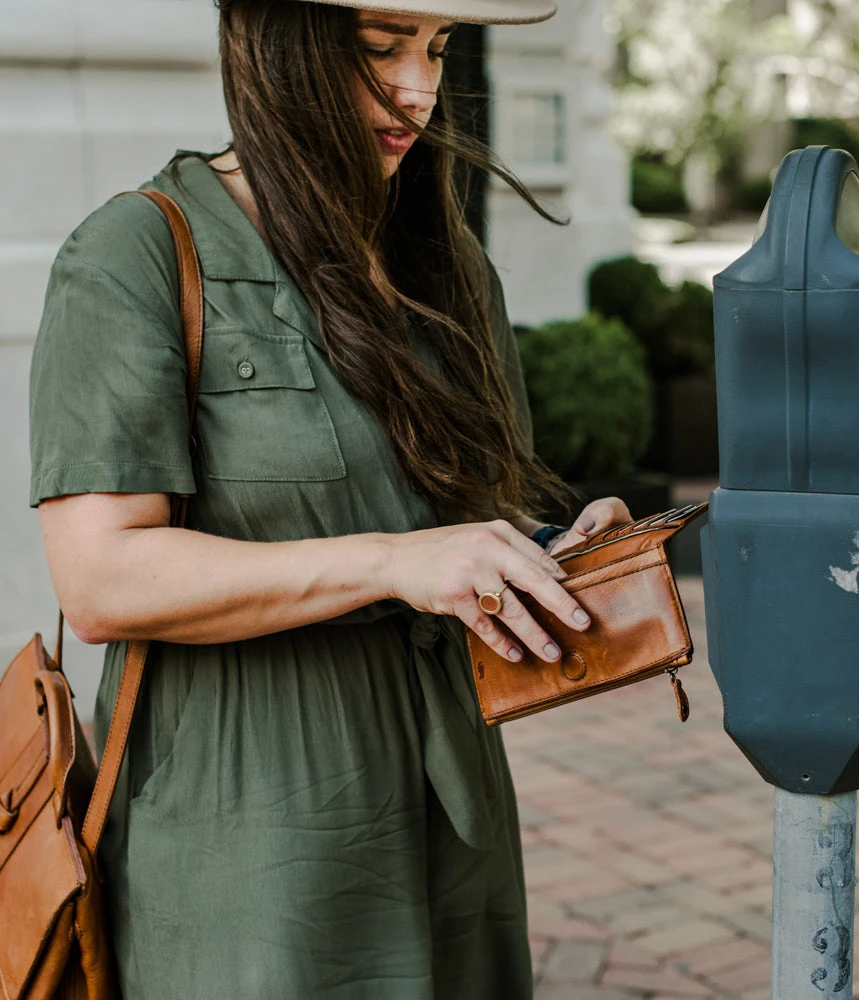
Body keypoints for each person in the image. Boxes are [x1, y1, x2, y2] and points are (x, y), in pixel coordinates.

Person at [29, 0, 632, 996]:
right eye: (379, 46)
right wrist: (393, 563)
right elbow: (99, 578)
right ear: (272, 45)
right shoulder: (134, 254)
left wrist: (544, 555)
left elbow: (435, 526)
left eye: (437, 47)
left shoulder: (442, 262)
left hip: (455, 822)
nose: (419, 88)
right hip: (251, 845)